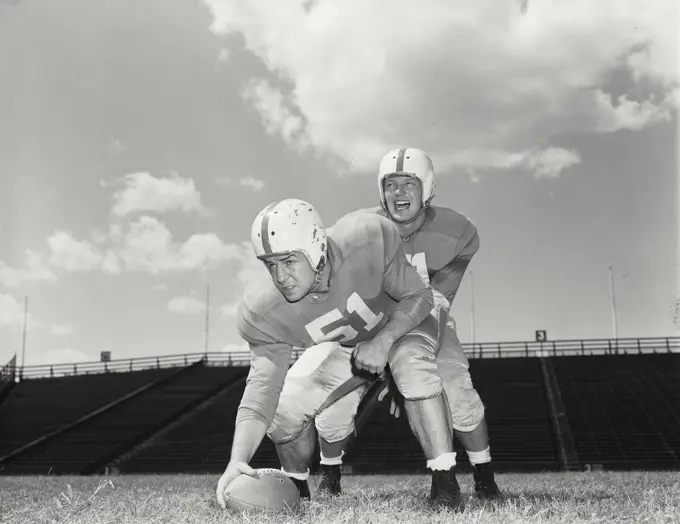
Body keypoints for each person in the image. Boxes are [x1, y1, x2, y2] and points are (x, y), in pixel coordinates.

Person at [215, 198, 462, 511]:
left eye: (289, 261)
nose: (280, 277)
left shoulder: (364, 240)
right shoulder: (264, 311)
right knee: (285, 408)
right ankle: (297, 488)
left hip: (402, 321)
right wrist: (238, 460)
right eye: (270, 264)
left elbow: (419, 296)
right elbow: (261, 391)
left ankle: (445, 483)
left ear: (316, 246)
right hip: (349, 347)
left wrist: (384, 341)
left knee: (410, 362)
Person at [315, 148, 501, 500]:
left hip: (427, 313)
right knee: (331, 397)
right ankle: (330, 472)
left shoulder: (458, 232)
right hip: (367, 318)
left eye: (408, 184)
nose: (399, 193)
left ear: (427, 187)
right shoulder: (358, 227)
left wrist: (401, 366)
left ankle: (484, 473)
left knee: (458, 390)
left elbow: (438, 299)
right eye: (391, 184)